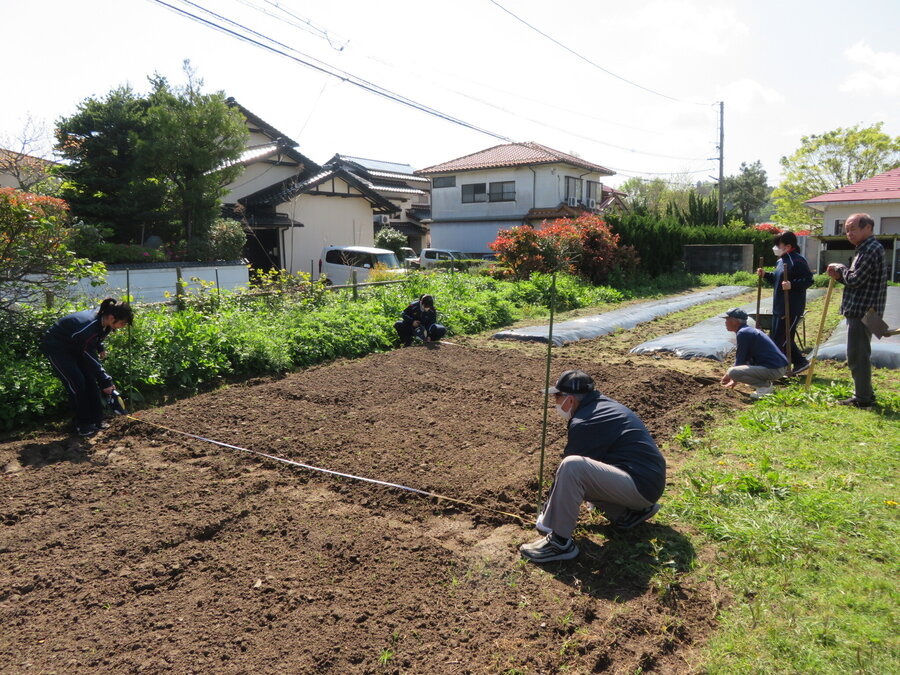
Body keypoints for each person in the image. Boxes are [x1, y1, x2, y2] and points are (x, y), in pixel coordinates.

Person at [520, 370, 666, 564]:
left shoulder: (585, 421)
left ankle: (559, 543)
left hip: (640, 484)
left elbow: (569, 471)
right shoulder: (601, 407)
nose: (555, 402)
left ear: (569, 399)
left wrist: (548, 517)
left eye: (557, 396)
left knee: (572, 466)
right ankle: (629, 513)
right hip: (647, 480)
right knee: (581, 471)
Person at [40, 298, 134, 437]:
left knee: (90, 381)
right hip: (58, 349)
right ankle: (82, 424)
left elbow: (94, 338)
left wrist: (99, 346)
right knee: (77, 383)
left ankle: (96, 420)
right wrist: (106, 381)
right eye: (122, 323)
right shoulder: (88, 326)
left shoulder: (106, 322)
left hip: (77, 345)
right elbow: (90, 356)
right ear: (112, 317)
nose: (123, 326)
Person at [826, 213, 887, 408]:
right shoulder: (865, 248)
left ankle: (863, 399)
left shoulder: (870, 249)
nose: (849, 233)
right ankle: (865, 394)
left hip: (863, 311)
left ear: (867, 228)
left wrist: (840, 268)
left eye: (853, 229)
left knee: (857, 356)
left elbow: (855, 280)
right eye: (847, 230)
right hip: (865, 310)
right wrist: (841, 274)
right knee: (860, 354)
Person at [757, 230, 813, 374]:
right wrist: (765, 275)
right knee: (779, 338)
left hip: (792, 306)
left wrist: (792, 285)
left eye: (778, 244)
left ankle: (795, 363)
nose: (776, 248)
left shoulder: (798, 260)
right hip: (779, 306)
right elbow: (777, 279)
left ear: (788, 246)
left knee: (783, 339)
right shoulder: (781, 261)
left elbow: (809, 280)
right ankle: (792, 364)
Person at [720, 307, 789, 399]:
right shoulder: (747, 330)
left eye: (727, 319)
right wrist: (734, 378)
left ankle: (764, 387)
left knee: (732, 371)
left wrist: (730, 376)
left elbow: (740, 359)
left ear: (734, 321)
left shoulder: (743, 333)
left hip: (774, 369)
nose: (725, 322)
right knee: (735, 371)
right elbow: (744, 358)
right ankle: (762, 384)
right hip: (778, 367)